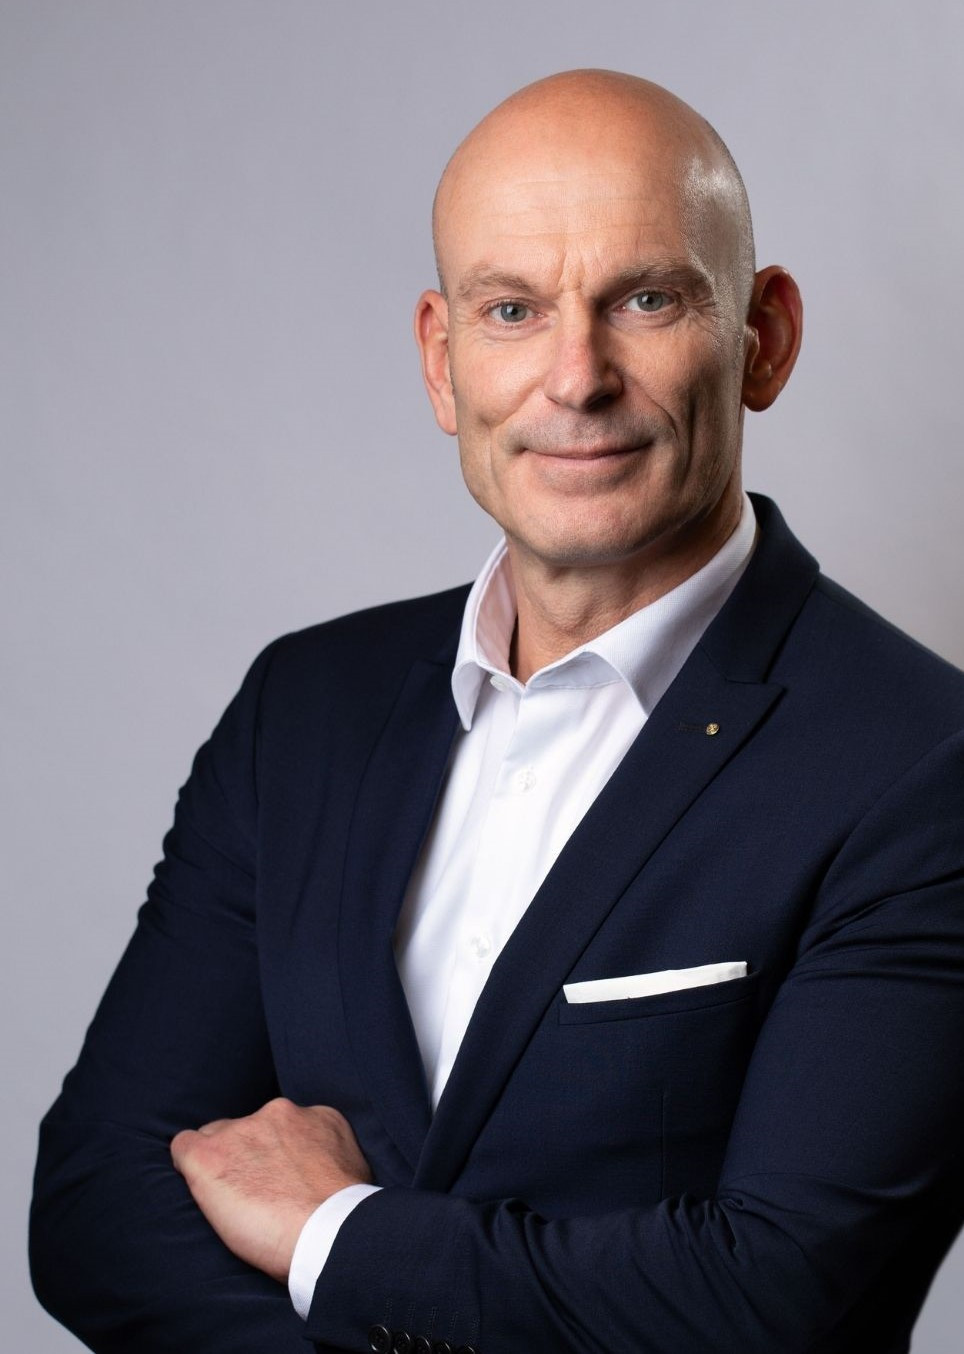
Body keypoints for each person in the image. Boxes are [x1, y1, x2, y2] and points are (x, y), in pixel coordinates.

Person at [30, 69, 964, 1354]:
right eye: (512, 309)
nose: (574, 378)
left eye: (644, 299)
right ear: (441, 358)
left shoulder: (920, 765)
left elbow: (768, 1297)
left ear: (764, 337)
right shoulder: (303, 707)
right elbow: (96, 1207)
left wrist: (333, 1232)